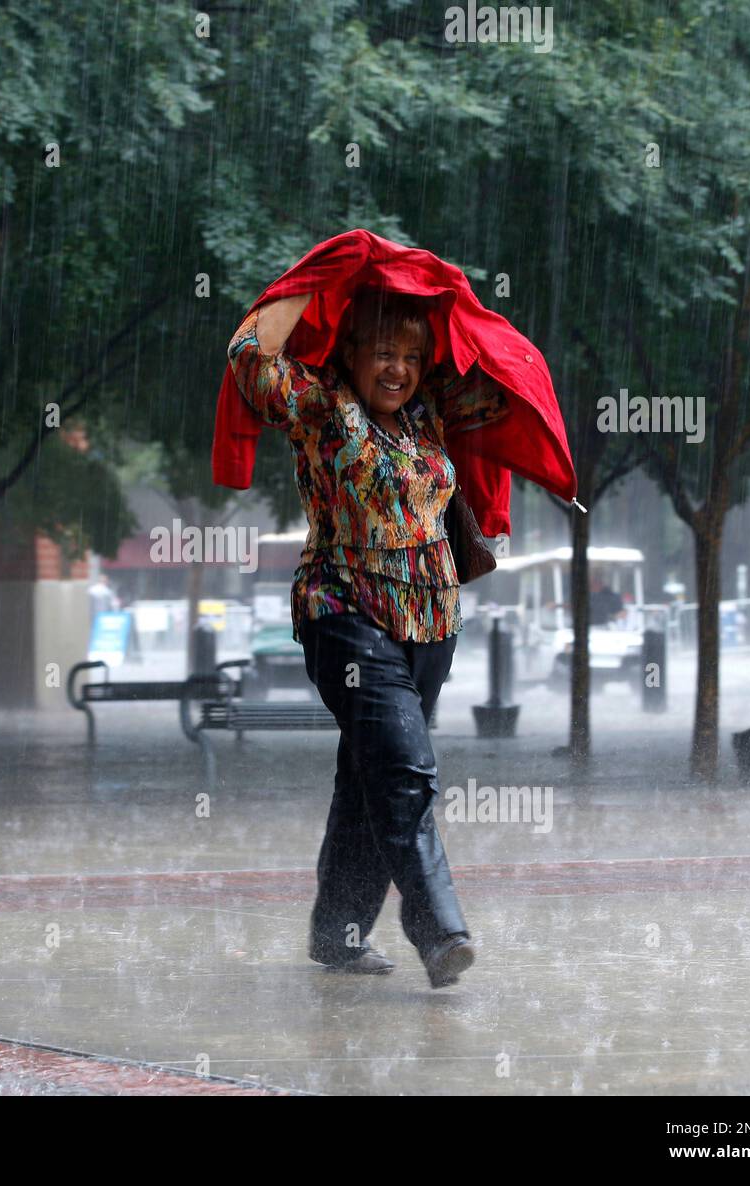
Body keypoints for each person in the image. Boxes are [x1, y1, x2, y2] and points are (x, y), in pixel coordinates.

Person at [227, 287, 510, 987]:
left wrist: (446, 304)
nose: (400, 369)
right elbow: (248, 359)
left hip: (432, 625)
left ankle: (339, 937)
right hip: (344, 612)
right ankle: (441, 932)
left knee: (367, 779)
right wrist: (315, 285)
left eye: (413, 356)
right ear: (348, 353)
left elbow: (502, 388)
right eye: (384, 352)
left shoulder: (428, 415)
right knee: (405, 771)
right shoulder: (322, 406)